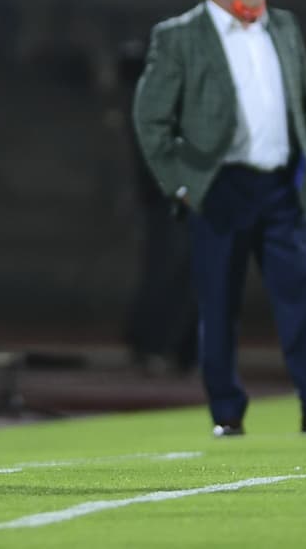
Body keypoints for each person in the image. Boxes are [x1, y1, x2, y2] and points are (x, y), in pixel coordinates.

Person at [131, 0, 306, 437]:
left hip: (281, 187)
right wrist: (182, 185)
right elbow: (149, 119)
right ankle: (227, 413)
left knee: (303, 299)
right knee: (218, 304)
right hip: (221, 187)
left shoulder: (282, 25)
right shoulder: (180, 37)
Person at [118, 39, 198, 375]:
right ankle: (155, 344)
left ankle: (178, 347)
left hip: (179, 199)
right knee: (166, 272)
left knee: (182, 273)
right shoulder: (149, 105)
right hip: (167, 200)